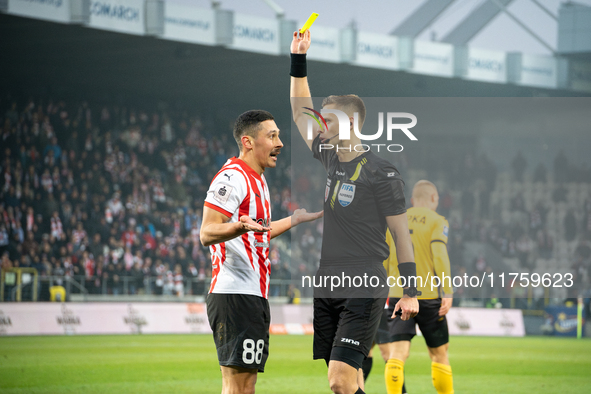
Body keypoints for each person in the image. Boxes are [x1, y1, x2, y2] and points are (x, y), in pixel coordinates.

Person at [290, 30, 419, 394]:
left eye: (329, 120)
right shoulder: (331, 158)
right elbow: (300, 113)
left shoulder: (382, 172)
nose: (321, 125)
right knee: (348, 381)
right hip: (328, 280)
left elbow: (401, 235)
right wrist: (297, 59)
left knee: (340, 382)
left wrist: (410, 291)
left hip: (364, 280)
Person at [200, 110, 322, 394]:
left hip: (251, 294)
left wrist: (294, 220)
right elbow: (207, 232)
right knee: (237, 385)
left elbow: (260, 230)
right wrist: (238, 227)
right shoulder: (233, 177)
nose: (280, 143)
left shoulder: (259, 180)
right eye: (272, 136)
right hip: (235, 294)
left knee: (246, 385)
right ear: (248, 142)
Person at [383, 180, 454, 394]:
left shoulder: (394, 220)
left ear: (413, 200)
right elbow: (439, 256)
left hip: (398, 295)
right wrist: (447, 290)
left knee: (397, 353)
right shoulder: (437, 221)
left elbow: (384, 259)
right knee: (439, 354)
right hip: (429, 296)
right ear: (433, 198)